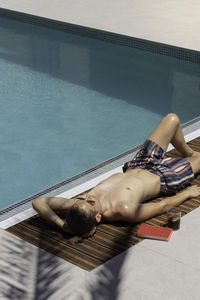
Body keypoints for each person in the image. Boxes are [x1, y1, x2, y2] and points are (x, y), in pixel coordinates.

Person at [32, 113, 200, 240]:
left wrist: (62, 225)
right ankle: (194, 158)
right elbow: (163, 206)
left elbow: (38, 202)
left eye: (82, 199)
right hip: (164, 176)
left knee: (172, 119)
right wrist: (187, 193)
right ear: (98, 217)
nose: (88, 196)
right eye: (90, 202)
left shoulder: (79, 205)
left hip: (140, 163)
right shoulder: (122, 210)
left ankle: (189, 153)